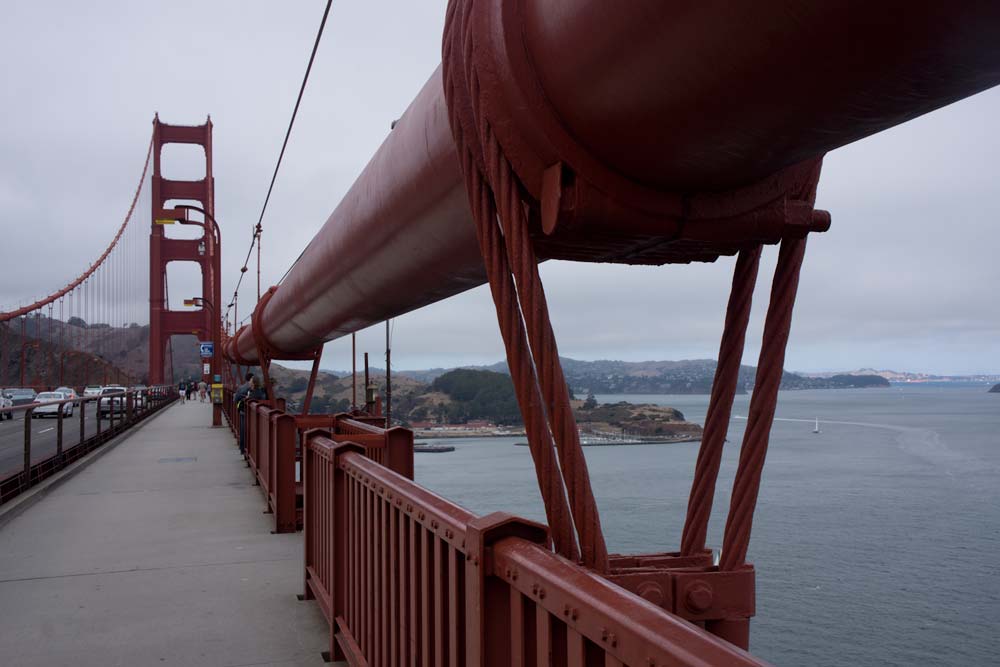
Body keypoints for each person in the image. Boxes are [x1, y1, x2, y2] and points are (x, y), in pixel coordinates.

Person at [234, 372, 254, 455]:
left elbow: (235, 399)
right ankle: (250, 450)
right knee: (250, 431)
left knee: (243, 430)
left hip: (242, 410)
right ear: (251, 378)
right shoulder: (251, 388)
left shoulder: (241, 387)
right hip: (250, 412)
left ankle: (242, 448)